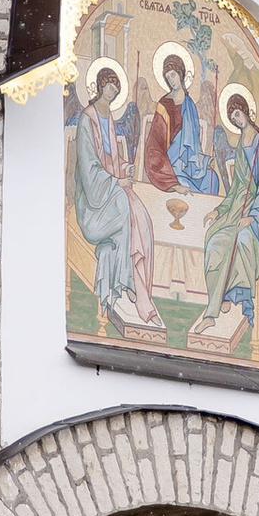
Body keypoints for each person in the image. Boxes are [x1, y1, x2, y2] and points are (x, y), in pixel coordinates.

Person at [68, 57, 160, 331]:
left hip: (111, 188)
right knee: (123, 205)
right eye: (109, 86)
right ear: (99, 86)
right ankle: (128, 284)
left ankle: (133, 284)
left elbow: (111, 159)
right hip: (93, 203)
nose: (113, 90)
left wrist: (124, 168)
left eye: (115, 87)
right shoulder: (88, 119)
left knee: (141, 217)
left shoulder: (108, 117)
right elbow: (89, 167)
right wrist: (115, 182)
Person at [193, 84, 259, 357]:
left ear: (247, 113)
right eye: (232, 118)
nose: (237, 120)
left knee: (240, 240)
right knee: (216, 239)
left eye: (238, 115)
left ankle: (221, 305)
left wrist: (253, 217)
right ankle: (223, 295)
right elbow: (236, 187)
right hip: (236, 206)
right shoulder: (242, 143)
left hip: (256, 208)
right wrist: (220, 211)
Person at [142, 44, 218, 197]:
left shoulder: (189, 105)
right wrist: (173, 184)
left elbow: (193, 148)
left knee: (212, 179)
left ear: (181, 74)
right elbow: (155, 146)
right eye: (168, 77)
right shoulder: (164, 105)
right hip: (171, 165)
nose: (171, 80)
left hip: (190, 165)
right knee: (189, 188)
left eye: (173, 75)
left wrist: (205, 162)